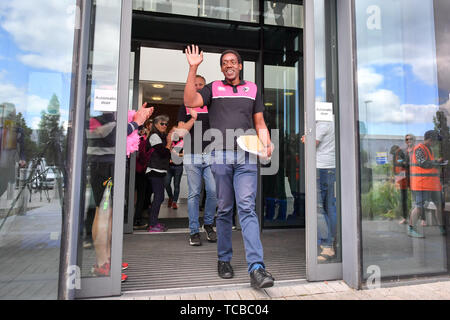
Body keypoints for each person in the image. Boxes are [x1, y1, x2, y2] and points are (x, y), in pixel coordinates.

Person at [183, 45, 275, 288]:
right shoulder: (213, 87)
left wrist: (266, 142)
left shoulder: (252, 88)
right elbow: (190, 100)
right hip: (220, 155)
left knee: (246, 207)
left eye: (233, 61)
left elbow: (259, 121)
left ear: (240, 65)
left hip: (247, 155)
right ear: (222, 67)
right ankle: (224, 259)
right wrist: (193, 67)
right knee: (224, 209)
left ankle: (257, 268)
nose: (229, 65)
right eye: (224, 62)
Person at [88, 103, 153, 281]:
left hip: (110, 166)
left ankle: (108, 259)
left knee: (108, 215)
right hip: (104, 168)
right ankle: (101, 265)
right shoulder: (96, 117)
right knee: (103, 213)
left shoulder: (108, 116)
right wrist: (136, 122)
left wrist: (138, 117)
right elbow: (115, 135)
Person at [177, 75, 217, 246]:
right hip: (191, 155)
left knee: (213, 191)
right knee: (194, 193)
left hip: (211, 154)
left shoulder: (211, 106)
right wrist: (193, 118)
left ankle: (208, 224)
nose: (199, 87)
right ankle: (194, 231)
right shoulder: (184, 106)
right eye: (196, 85)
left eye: (201, 85)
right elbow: (180, 132)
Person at [302, 119, 337, 263]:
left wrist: (305, 138)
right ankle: (333, 241)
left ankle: (327, 245)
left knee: (318, 208)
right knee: (330, 207)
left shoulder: (323, 124)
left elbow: (312, 143)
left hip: (321, 168)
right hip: (331, 167)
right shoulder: (334, 122)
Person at [408, 130, 446, 238]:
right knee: (419, 208)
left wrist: (437, 162)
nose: (436, 143)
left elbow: (429, 164)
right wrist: (437, 162)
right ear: (430, 140)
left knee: (439, 205)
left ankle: (441, 226)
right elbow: (423, 164)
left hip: (432, 185)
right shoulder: (419, 148)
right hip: (422, 184)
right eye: (435, 141)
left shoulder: (428, 149)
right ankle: (411, 228)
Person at [146, 114, 173, 233]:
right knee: (159, 197)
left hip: (159, 170)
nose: (164, 126)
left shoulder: (161, 136)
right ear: (156, 124)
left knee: (158, 197)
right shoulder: (154, 136)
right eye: (162, 123)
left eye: (166, 124)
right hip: (154, 170)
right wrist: (168, 144)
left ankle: (153, 222)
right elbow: (163, 153)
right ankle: (152, 224)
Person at [0, 103, 26, 200]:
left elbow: (22, 150)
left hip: (7, 168)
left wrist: (22, 159)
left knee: (3, 187)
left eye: (12, 114)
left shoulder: (18, 131)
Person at [134, 118, 153, 229]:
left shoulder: (140, 139)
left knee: (141, 195)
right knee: (140, 196)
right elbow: (144, 157)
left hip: (138, 170)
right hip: (140, 171)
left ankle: (137, 216)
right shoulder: (142, 141)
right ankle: (137, 220)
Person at [165, 124, 184, 210]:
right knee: (166, 183)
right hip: (168, 166)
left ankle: (174, 202)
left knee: (176, 185)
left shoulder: (183, 142)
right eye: (173, 131)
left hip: (178, 167)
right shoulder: (169, 141)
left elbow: (184, 154)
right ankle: (171, 197)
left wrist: (176, 154)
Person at [390, 144, 409, 225]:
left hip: (402, 179)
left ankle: (405, 218)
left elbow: (402, 163)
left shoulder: (399, 153)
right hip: (402, 179)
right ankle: (405, 217)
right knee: (403, 199)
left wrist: (398, 177)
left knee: (403, 199)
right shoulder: (399, 153)